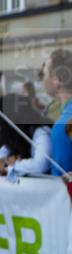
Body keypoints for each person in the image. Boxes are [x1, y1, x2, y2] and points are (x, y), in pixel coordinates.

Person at [0, 94, 52, 180]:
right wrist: (4, 162)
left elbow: (40, 165)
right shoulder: (14, 136)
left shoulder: (40, 132)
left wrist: (10, 165)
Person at [42, 48, 72, 176]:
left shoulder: (63, 124)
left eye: (44, 74)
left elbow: (61, 183)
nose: (43, 80)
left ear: (57, 79)